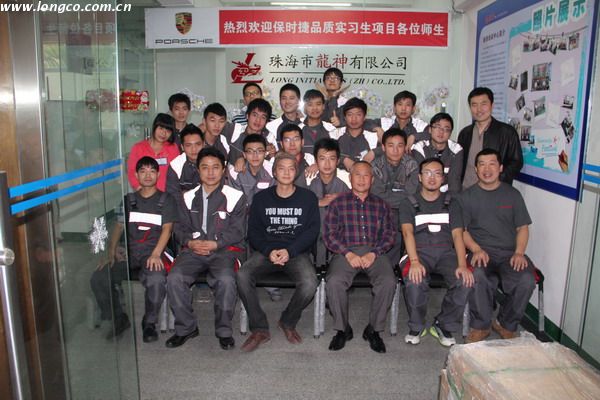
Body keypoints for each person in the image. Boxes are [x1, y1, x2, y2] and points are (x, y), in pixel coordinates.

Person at [236, 153, 320, 352]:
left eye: (291, 168)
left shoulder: (308, 198)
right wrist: (268, 250)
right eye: (281, 168)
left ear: (296, 172)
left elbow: (312, 231)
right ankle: (259, 328)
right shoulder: (261, 198)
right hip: (267, 252)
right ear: (274, 172)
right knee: (242, 275)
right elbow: (253, 232)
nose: (286, 172)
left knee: (310, 283)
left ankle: (288, 321)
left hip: (296, 252)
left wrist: (290, 251)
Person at [165, 148, 247, 350]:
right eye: (205, 167)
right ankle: (186, 328)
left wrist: (215, 244)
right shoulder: (186, 197)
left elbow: (238, 231)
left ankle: (224, 331)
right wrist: (190, 242)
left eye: (215, 167)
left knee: (226, 280)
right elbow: (179, 228)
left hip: (224, 250)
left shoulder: (236, 196)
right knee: (174, 278)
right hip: (193, 250)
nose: (210, 173)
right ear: (198, 170)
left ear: (224, 170)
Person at [94, 157, 177, 343]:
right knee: (99, 277)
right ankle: (119, 318)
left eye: (152, 171)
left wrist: (156, 254)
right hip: (129, 253)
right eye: (143, 171)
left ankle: (149, 323)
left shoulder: (167, 200)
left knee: (156, 279)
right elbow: (118, 227)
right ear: (136, 175)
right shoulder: (128, 200)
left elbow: (167, 229)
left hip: (153, 253)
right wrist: (111, 252)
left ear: (158, 175)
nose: (148, 175)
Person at [457, 149, 535, 343]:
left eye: (492, 164)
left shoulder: (513, 195)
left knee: (527, 279)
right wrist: (476, 249)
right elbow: (462, 231)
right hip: (480, 251)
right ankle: (481, 325)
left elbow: (523, 228)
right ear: (476, 169)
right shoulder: (467, 197)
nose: (487, 169)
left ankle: (505, 323)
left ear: (500, 168)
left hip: (509, 253)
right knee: (477, 275)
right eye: (482, 164)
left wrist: (519, 253)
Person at [323, 161, 397, 353]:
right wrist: (348, 253)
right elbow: (329, 235)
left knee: (388, 281)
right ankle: (342, 329)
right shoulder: (338, 203)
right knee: (334, 281)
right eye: (357, 175)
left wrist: (374, 253)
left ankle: (373, 330)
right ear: (350, 178)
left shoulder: (382, 205)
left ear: (372, 179)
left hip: (375, 252)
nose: (362, 179)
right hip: (345, 252)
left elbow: (389, 235)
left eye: (366, 175)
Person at [399, 158, 473, 347]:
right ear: (419, 177)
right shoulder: (408, 203)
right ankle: (417, 326)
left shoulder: (452, 203)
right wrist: (414, 261)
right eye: (427, 173)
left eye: (437, 173)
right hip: (418, 252)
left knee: (465, 280)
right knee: (415, 280)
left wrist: (462, 265)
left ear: (443, 178)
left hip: (446, 253)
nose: (432, 178)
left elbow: (457, 235)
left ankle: (443, 324)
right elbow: (407, 233)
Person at [227, 134, 283, 302]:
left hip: (265, 220)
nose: (255, 155)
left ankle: (269, 283)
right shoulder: (235, 172)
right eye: (250, 152)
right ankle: (241, 281)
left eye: (259, 151)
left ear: (266, 152)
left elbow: (275, 199)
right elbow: (235, 201)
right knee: (238, 236)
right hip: (241, 218)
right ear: (244, 154)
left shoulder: (273, 171)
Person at [458, 87, 523, 189]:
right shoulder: (464, 133)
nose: (479, 109)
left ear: (492, 105)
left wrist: (496, 180)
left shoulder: (507, 132)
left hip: (494, 191)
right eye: (474, 105)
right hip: (466, 190)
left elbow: (516, 163)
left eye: (483, 104)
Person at [371, 128, 419, 266]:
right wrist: (399, 195)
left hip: (406, 210)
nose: (395, 150)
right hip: (380, 210)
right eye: (391, 146)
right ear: (383, 147)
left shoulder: (412, 165)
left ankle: (397, 266)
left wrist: (390, 195)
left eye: (400, 146)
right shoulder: (375, 166)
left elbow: (411, 194)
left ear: (405, 147)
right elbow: (377, 195)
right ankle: (385, 267)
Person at [308, 138, 350, 265]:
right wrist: (317, 202)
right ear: (316, 161)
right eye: (322, 158)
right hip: (313, 236)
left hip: (341, 237)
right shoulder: (307, 177)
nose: (327, 164)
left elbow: (361, 199)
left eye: (331, 158)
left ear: (338, 161)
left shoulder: (347, 179)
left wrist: (342, 196)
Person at [412, 112, 464, 195]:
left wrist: (450, 201)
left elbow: (454, 181)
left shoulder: (456, 149)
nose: (441, 132)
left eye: (446, 129)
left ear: (450, 133)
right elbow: (420, 180)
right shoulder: (420, 148)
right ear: (430, 129)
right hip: (424, 195)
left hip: (447, 197)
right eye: (437, 127)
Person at [127, 113, 180, 192]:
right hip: (145, 194)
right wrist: (141, 190)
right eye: (161, 128)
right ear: (154, 127)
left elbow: (178, 172)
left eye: (168, 131)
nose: (163, 133)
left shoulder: (173, 148)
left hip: (168, 194)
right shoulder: (138, 148)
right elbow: (132, 172)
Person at [227, 98, 277, 167]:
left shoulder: (270, 138)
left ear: (267, 122)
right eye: (255, 115)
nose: (258, 120)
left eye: (263, 117)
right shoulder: (235, 130)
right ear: (247, 116)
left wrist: (273, 155)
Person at [336, 97, 378, 171]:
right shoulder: (335, 134)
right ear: (345, 117)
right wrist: (343, 159)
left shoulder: (373, 137)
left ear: (364, 117)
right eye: (350, 115)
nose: (354, 119)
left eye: (358, 115)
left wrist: (375, 152)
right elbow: (325, 155)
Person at [165, 124, 203, 199]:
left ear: (203, 144)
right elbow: (172, 196)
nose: (194, 149)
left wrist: (185, 194)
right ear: (182, 147)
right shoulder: (175, 165)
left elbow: (215, 192)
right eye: (188, 145)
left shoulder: (212, 162)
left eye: (198, 144)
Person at [301, 89, 337, 155]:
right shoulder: (298, 129)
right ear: (305, 108)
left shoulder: (331, 129)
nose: (315, 108)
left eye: (318, 104)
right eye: (310, 104)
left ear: (323, 106)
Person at [279, 124, 315, 188]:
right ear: (281, 144)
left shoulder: (311, 160)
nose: (292, 144)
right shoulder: (274, 162)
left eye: (296, 139)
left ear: (302, 142)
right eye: (287, 140)